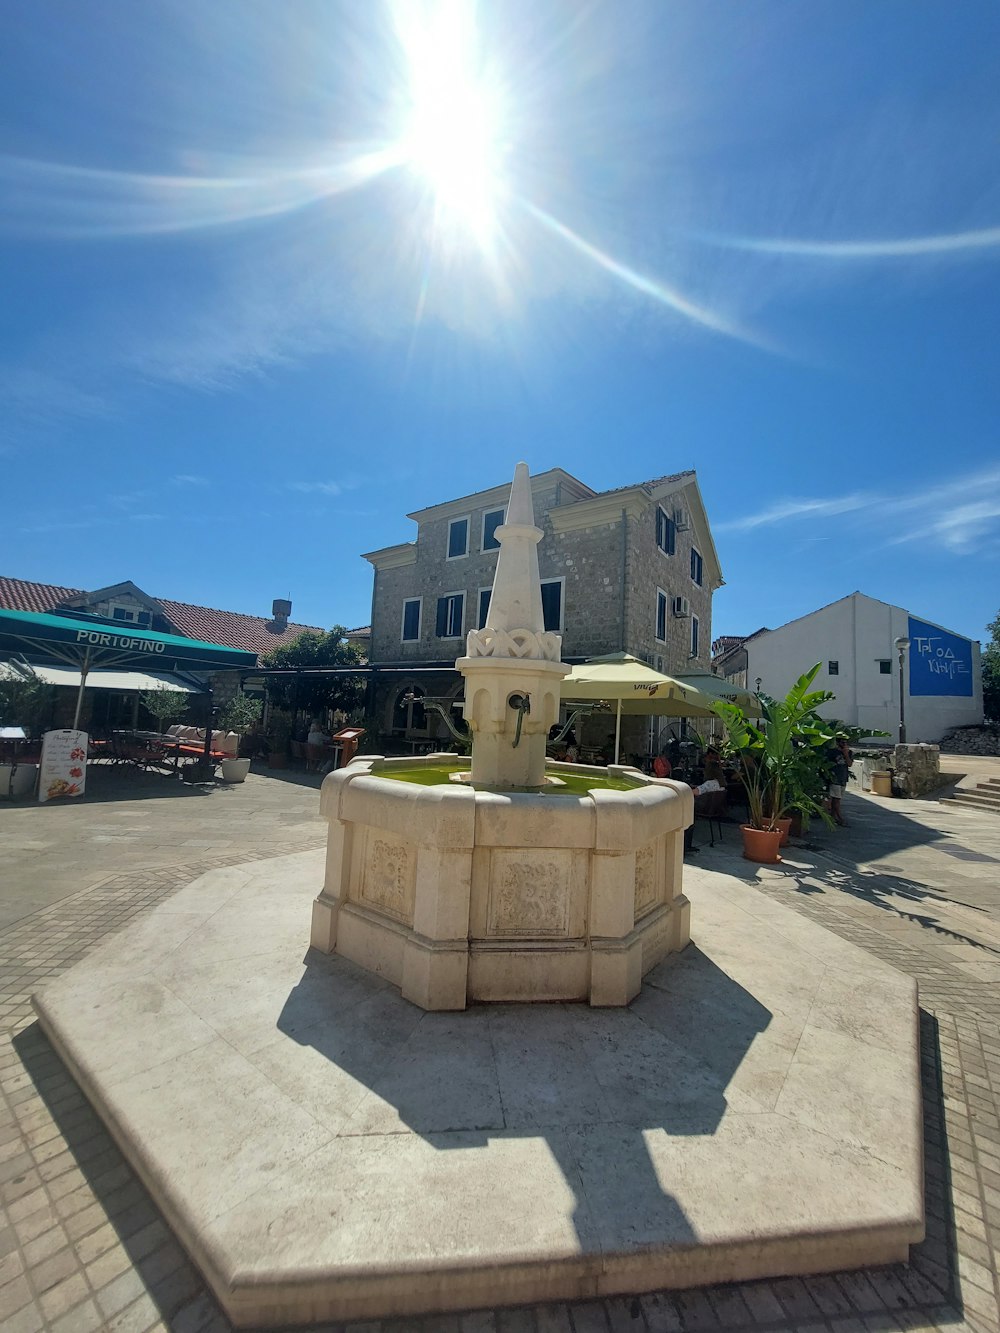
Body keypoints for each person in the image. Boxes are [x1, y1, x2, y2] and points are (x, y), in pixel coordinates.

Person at [828, 736, 853, 826]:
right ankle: (839, 818)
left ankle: (833, 817)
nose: (845, 744)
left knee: (837, 799)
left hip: (843, 778)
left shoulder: (849, 752)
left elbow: (849, 764)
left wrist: (846, 754)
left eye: (846, 743)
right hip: (835, 778)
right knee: (836, 799)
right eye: (843, 743)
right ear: (838, 743)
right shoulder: (833, 753)